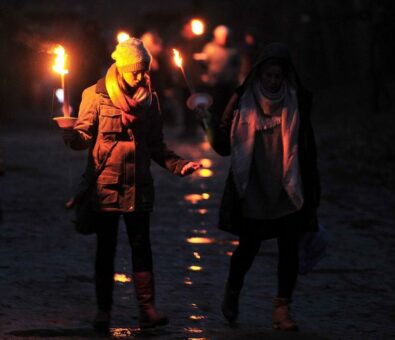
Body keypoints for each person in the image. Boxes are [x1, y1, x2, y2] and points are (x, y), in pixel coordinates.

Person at [61, 38, 201, 332]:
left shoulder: (151, 98)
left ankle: (147, 310)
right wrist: (70, 133)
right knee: (106, 248)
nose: (140, 76)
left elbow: (156, 145)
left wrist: (179, 165)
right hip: (106, 184)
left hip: (139, 184)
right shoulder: (95, 95)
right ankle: (103, 310)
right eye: (134, 71)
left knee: (141, 246)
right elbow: (84, 137)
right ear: (121, 68)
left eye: (143, 71)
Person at [195, 43, 320, 331]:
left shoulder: (297, 101)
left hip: (289, 187)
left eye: (278, 76)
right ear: (258, 75)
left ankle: (282, 309)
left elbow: (308, 149)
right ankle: (233, 290)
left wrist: (313, 191)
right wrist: (206, 121)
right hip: (252, 188)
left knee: (288, 249)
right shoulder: (242, 102)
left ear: (286, 76)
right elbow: (224, 146)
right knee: (248, 248)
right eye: (268, 76)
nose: (273, 81)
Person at [194, 25, 240, 118]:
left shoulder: (232, 50)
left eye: (226, 36)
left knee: (227, 109)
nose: (224, 38)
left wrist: (235, 76)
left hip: (228, 84)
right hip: (214, 85)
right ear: (216, 36)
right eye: (222, 36)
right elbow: (203, 64)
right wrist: (203, 75)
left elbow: (237, 65)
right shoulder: (209, 48)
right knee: (215, 110)